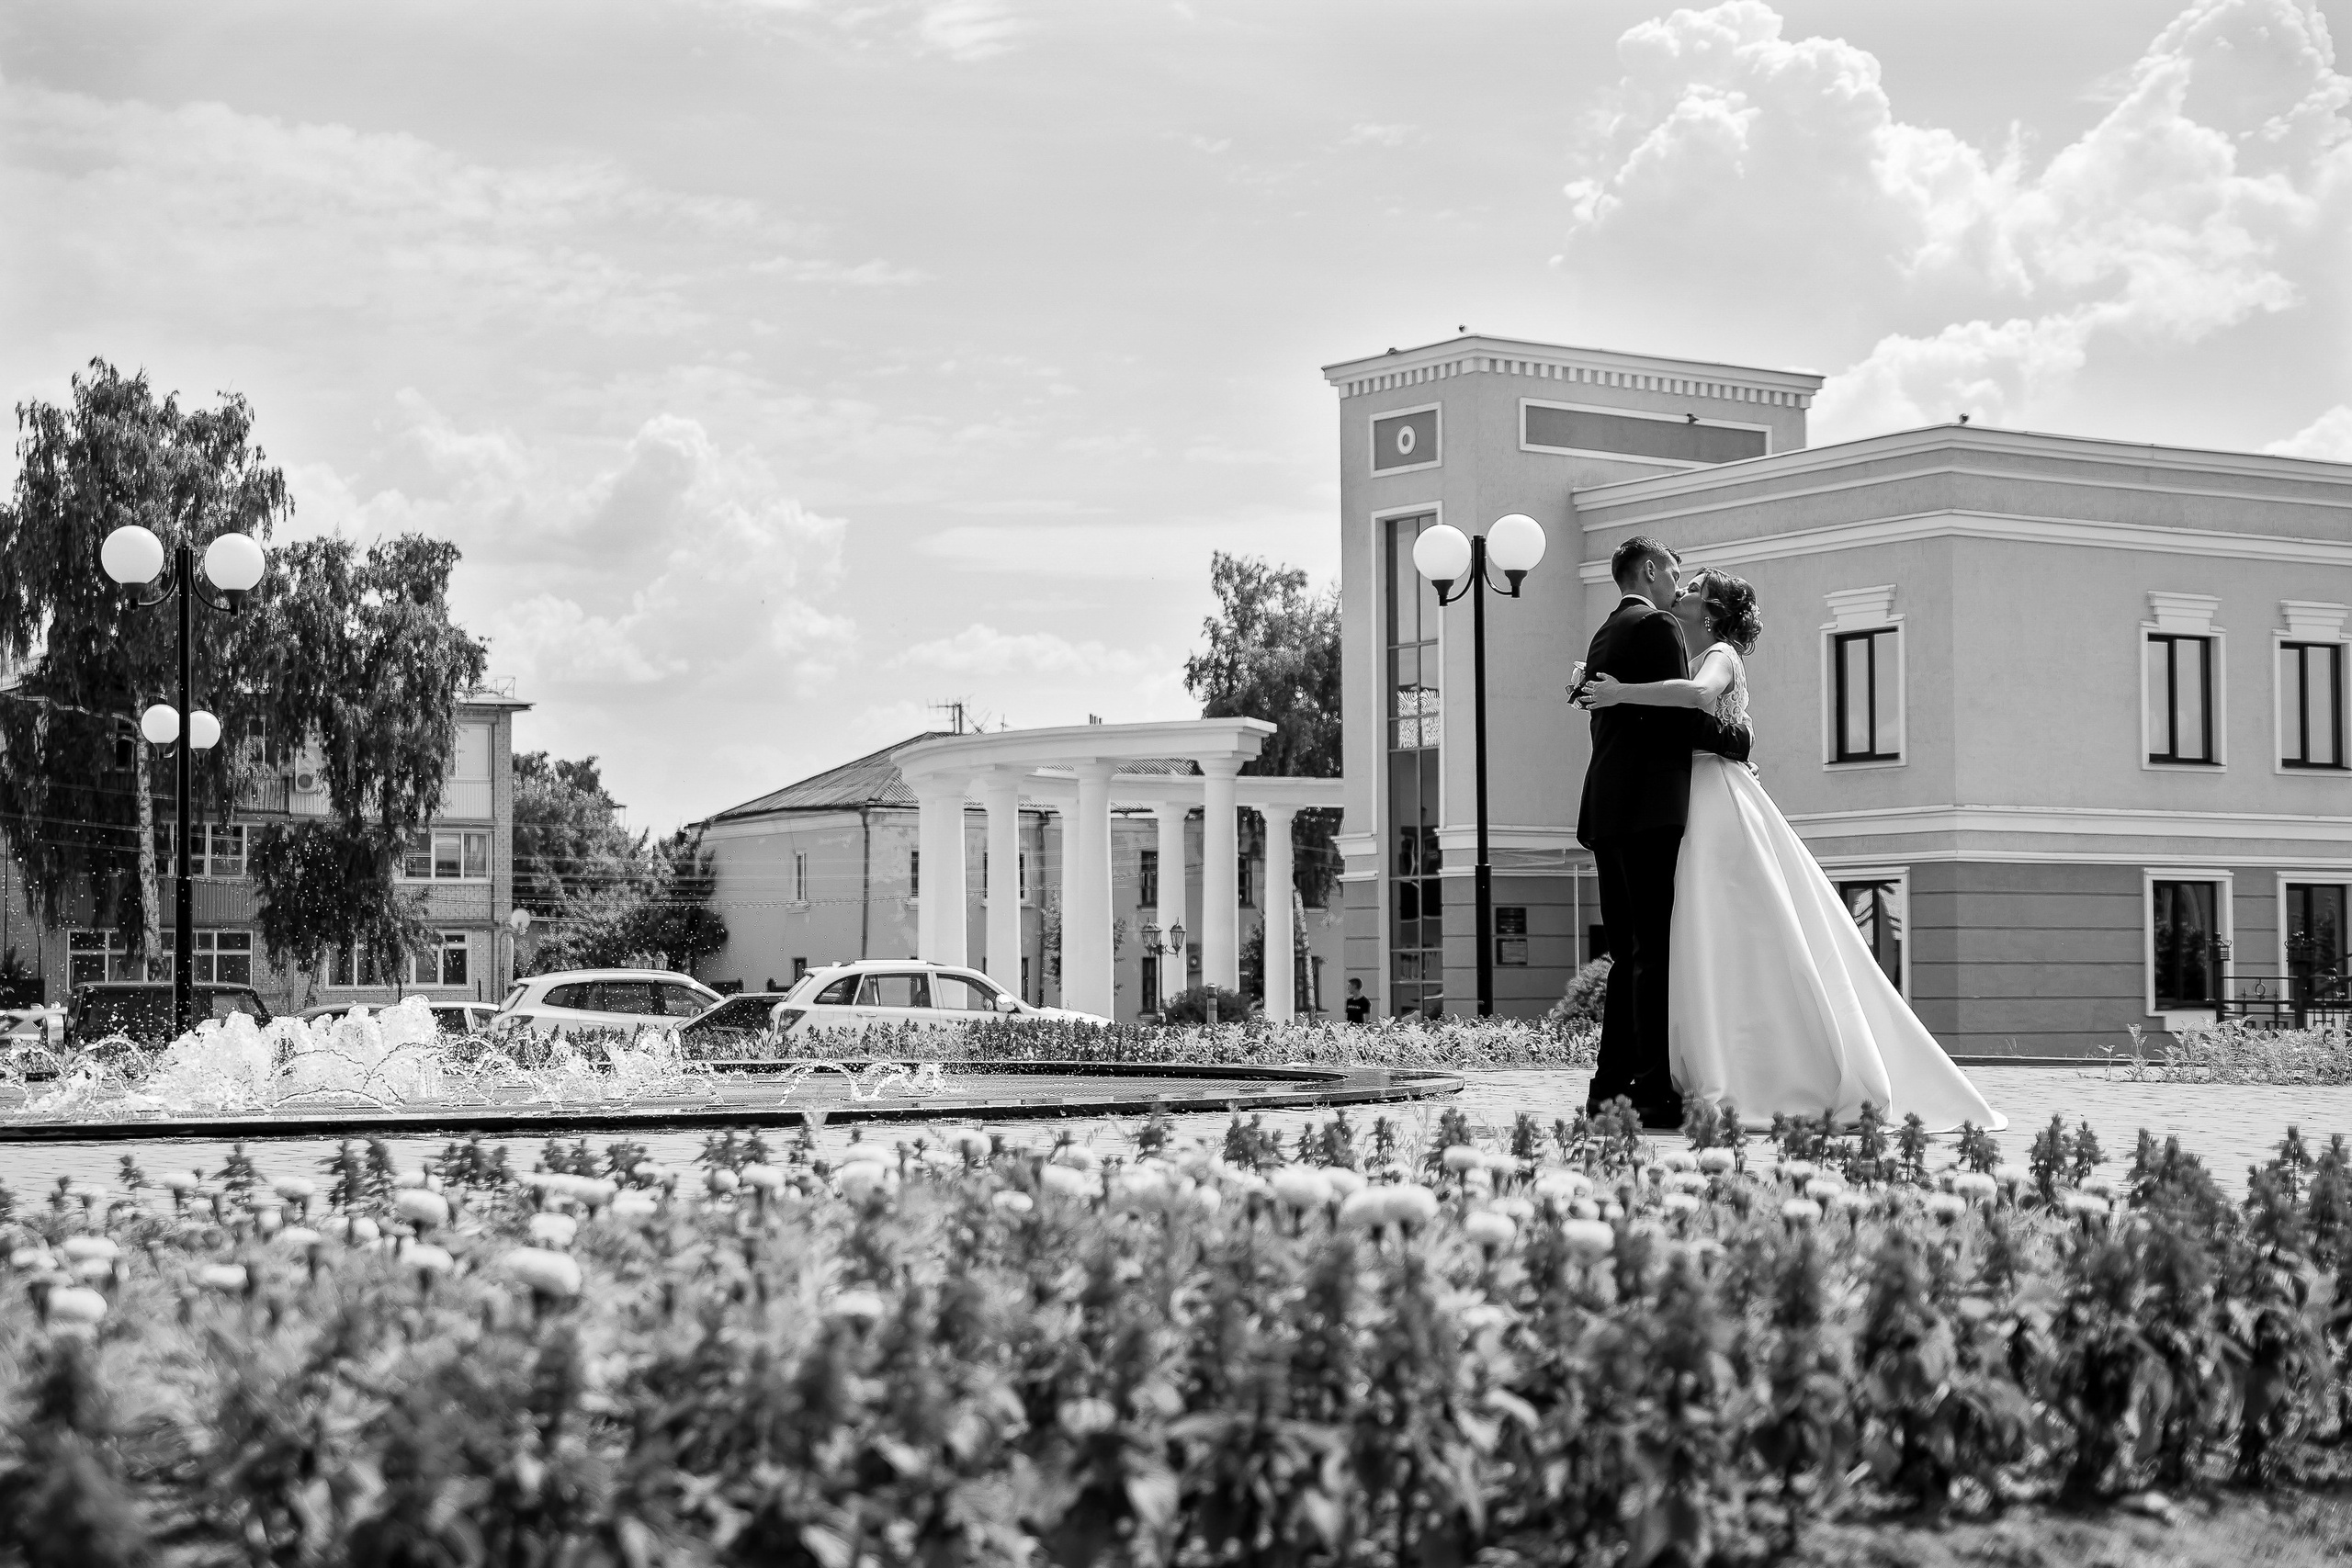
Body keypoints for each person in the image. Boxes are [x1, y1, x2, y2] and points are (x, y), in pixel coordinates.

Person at [1579, 567, 2004, 1132]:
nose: (1679, 596)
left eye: (1691, 592)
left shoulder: (1721, 656)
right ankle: (1701, 1060)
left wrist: (1617, 692)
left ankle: (1757, 1069)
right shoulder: (1683, 656)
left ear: (1708, 612)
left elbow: (1700, 703)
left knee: (1728, 926)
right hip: (1689, 799)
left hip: (1716, 802)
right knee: (1697, 937)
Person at [1569, 536, 1755, 1129]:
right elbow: (1684, 716)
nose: (1680, 586)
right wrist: (1737, 741)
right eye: (1676, 573)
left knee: (1629, 956)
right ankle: (1650, 1091)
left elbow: (1630, 714)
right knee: (1650, 955)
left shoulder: (1606, 633)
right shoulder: (1660, 628)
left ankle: (1608, 1088)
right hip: (1650, 810)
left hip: (1609, 809)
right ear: (1651, 570)